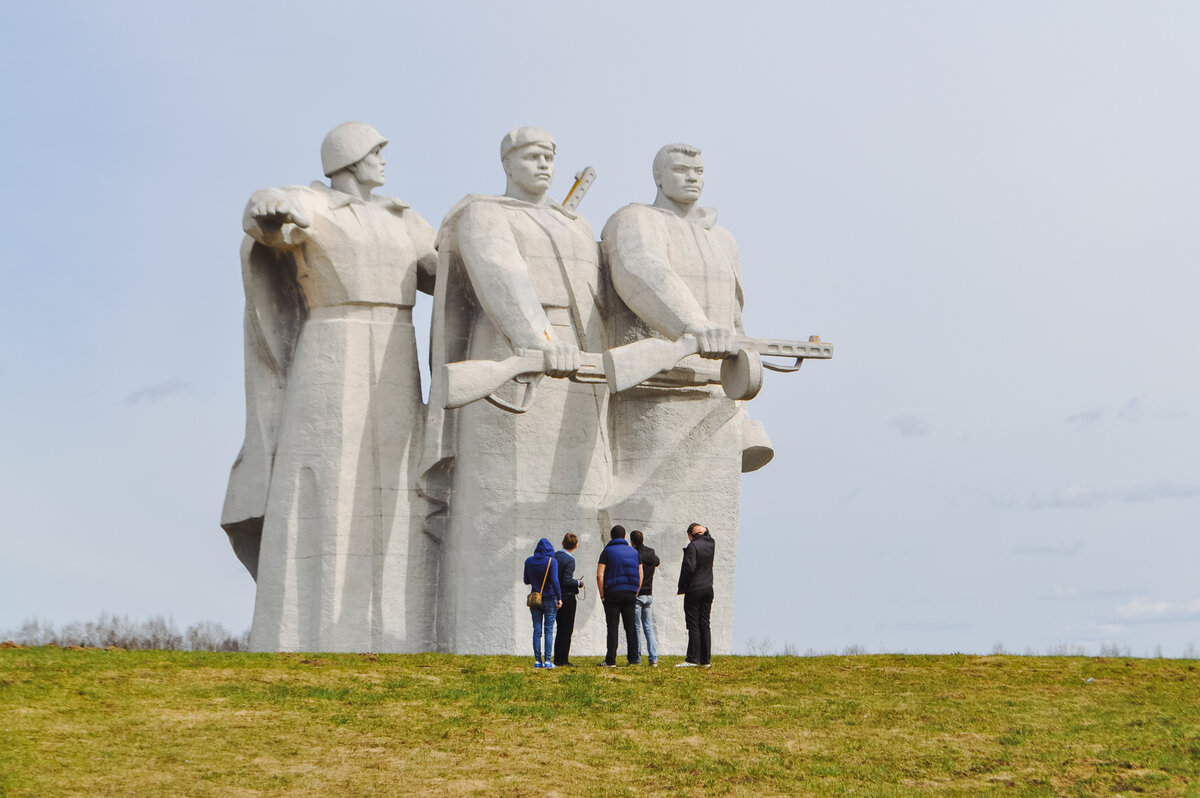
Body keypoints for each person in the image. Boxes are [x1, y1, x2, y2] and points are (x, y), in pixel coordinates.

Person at [222, 121, 438, 653]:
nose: (383, 161)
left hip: (395, 345)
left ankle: (400, 629)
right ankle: (308, 629)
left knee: (396, 481)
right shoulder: (311, 203)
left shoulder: (402, 217)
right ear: (348, 158)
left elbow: (442, 268)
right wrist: (275, 209)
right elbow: (263, 213)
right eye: (375, 152)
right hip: (331, 341)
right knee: (328, 476)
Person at [420, 127, 608, 654]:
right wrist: (540, 340)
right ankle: (488, 638)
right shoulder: (484, 212)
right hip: (515, 355)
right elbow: (501, 277)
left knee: (582, 494)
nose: (543, 164)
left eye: (550, 156)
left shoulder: (574, 223)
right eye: (531, 156)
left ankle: (581, 644)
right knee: (501, 503)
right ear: (508, 162)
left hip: (581, 365)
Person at [599, 143, 772, 656]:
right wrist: (693, 326)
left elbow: (737, 321)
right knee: (644, 515)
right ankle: (635, 642)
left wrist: (745, 388)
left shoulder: (723, 239)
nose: (692, 177)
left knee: (711, 533)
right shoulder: (634, 220)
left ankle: (696, 649)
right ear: (657, 175)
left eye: (699, 169)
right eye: (680, 168)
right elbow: (641, 273)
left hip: (715, 396)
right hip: (655, 393)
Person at [596, 525, 643, 666]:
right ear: (624, 536)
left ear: (611, 536)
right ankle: (634, 659)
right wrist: (636, 591)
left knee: (612, 626)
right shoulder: (634, 552)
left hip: (612, 593)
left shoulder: (607, 551)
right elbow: (641, 573)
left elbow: (600, 575)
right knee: (631, 627)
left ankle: (611, 660)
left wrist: (602, 595)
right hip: (630, 592)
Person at [676, 522, 715, 667]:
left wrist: (685, 585)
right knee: (705, 624)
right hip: (708, 588)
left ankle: (693, 658)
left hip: (694, 589)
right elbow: (709, 537)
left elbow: (689, 568)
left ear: (690, 535)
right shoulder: (711, 543)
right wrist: (706, 529)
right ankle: (706, 661)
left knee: (693, 624)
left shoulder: (693, 546)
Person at [524, 537, 562, 668]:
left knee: (537, 630)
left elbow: (526, 580)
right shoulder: (552, 561)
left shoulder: (529, 561)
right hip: (550, 597)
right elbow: (555, 581)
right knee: (548, 631)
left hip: (535, 598)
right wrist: (559, 597)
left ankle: (537, 661)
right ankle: (547, 661)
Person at [630, 529, 661, 667]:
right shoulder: (651, 552)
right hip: (649, 593)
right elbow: (657, 562)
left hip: (638, 594)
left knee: (636, 627)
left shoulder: (634, 554)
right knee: (648, 627)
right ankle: (653, 658)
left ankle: (637, 658)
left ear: (632, 542)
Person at [553, 533, 584, 666]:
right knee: (567, 629)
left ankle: (557, 658)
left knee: (560, 628)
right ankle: (563, 659)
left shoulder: (554, 556)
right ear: (575, 546)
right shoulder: (569, 560)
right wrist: (578, 582)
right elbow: (566, 580)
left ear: (563, 542)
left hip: (555, 596)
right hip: (567, 596)